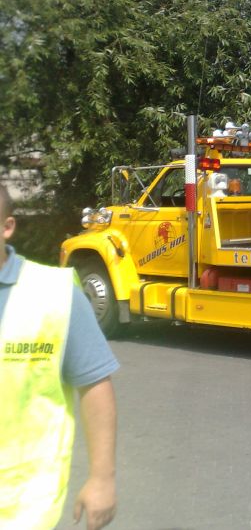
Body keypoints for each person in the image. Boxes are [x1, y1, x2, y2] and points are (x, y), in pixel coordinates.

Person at [0, 183, 119, 530]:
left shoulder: (53, 294)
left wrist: (102, 478)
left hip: (21, 504)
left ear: (7, 227)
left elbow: (95, 385)